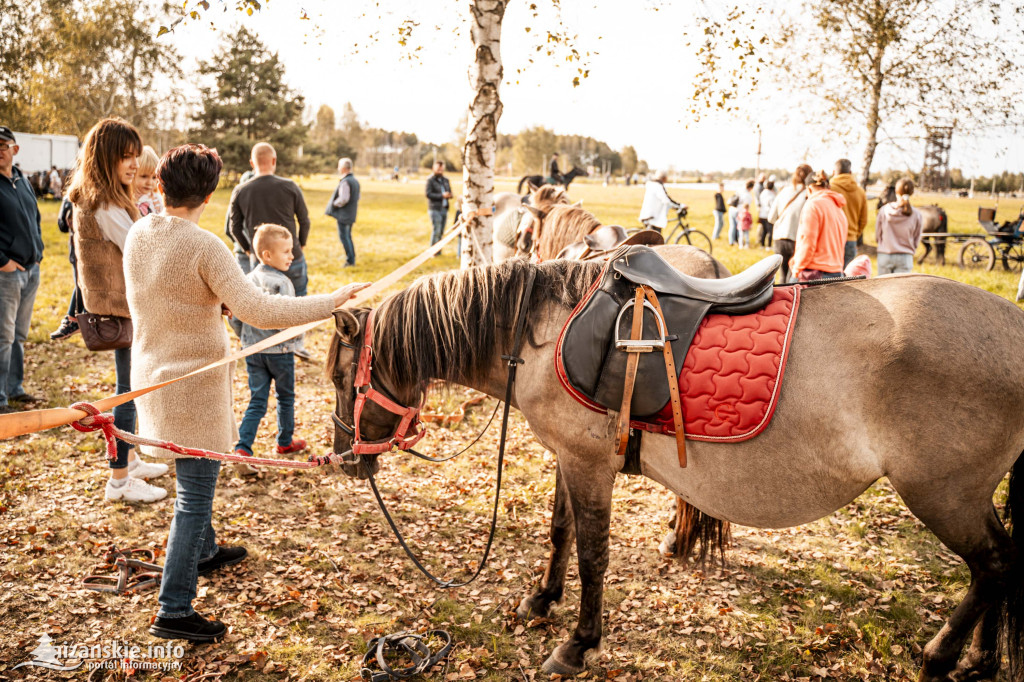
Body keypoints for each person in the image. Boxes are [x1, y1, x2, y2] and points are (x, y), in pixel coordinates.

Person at [127, 143, 369, 642]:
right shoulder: (204, 246)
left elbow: (169, 297)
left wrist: (200, 308)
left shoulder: (139, 233)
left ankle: (206, 550)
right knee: (193, 495)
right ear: (211, 194)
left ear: (161, 185)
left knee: (193, 482)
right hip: (191, 387)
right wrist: (331, 303)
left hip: (152, 377)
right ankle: (173, 609)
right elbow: (260, 310)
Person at [66, 117, 168, 502]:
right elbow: (140, 251)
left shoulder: (111, 198)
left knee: (133, 388)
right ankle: (120, 480)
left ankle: (130, 459)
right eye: (125, 157)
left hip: (125, 307)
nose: (133, 163)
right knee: (127, 393)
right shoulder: (104, 204)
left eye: (134, 156)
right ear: (106, 158)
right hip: (119, 311)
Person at [232, 223, 308, 463]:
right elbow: (290, 318)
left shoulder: (246, 280)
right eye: (286, 251)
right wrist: (297, 342)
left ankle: (243, 447)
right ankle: (285, 442)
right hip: (281, 353)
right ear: (267, 255)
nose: (292, 256)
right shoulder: (283, 283)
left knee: (257, 400)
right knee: (285, 398)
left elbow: (236, 316)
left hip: (253, 352)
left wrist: (244, 338)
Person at [230, 142, 313, 359]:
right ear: (274, 161)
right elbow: (304, 220)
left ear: (252, 163)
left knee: (262, 302)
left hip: (262, 259)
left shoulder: (241, 190)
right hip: (290, 255)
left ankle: (263, 343)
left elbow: (233, 227)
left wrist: (249, 250)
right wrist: (300, 244)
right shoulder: (290, 186)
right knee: (299, 300)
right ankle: (297, 344)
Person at [0, 126, 44, 415]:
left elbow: (35, 217)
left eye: (4, 145)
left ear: (15, 150)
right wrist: (2, 261)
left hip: (31, 270)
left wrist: (38, 253)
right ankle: (0, 397)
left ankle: (15, 388)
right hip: (8, 272)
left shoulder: (22, 179)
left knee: (19, 334)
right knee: (3, 336)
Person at [791, 170, 849, 281]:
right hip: (836, 271)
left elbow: (807, 242)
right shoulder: (838, 208)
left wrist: (796, 269)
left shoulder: (813, 205)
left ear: (809, 189)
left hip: (814, 272)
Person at [768, 164, 813, 283]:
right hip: (797, 239)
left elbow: (771, 218)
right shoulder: (809, 195)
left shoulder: (783, 191)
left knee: (782, 276)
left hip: (779, 238)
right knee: (792, 276)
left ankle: (780, 300)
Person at [875, 177, 923, 275]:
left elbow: (877, 235)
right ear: (911, 192)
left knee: (882, 289)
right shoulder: (917, 214)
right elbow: (917, 239)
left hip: (885, 255)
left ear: (896, 191)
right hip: (905, 257)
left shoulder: (884, 210)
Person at [830, 158, 868, 267]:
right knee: (847, 278)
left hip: (833, 239)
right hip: (851, 239)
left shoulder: (829, 189)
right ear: (850, 172)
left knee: (831, 280)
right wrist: (855, 234)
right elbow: (864, 220)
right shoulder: (860, 191)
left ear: (834, 172)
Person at [325, 157, 360, 268]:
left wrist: (334, 204)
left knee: (344, 237)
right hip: (351, 213)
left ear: (344, 168)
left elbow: (344, 198)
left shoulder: (345, 181)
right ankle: (351, 257)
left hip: (344, 215)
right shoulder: (355, 181)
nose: (338, 168)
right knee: (348, 236)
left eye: (339, 166)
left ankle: (350, 261)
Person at [425, 161, 452, 253]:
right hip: (435, 208)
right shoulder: (430, 180)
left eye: (441, 169)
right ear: (434, 169)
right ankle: (432, 251)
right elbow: (428, 194)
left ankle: (438, 251)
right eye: (438, 169)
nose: (440, 171)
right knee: (436, 229)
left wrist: (449, 195)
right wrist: (442, 196)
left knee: (441, 231)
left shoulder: (445, 180)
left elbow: (449, 191)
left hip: (444, 208)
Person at [134, 146, 163, 217]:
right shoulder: (127, 199)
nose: (149, 182)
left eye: (154, 177)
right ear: (133, 174)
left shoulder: (157, 200)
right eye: (144, 176)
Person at [757, 180, 776, 249]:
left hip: (762, 214)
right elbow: (773, 206)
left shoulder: (762, 193)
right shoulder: (772, 195)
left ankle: (762, 244)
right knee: (770, 231)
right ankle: (769, 245)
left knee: (764, 231)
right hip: (768, 215)